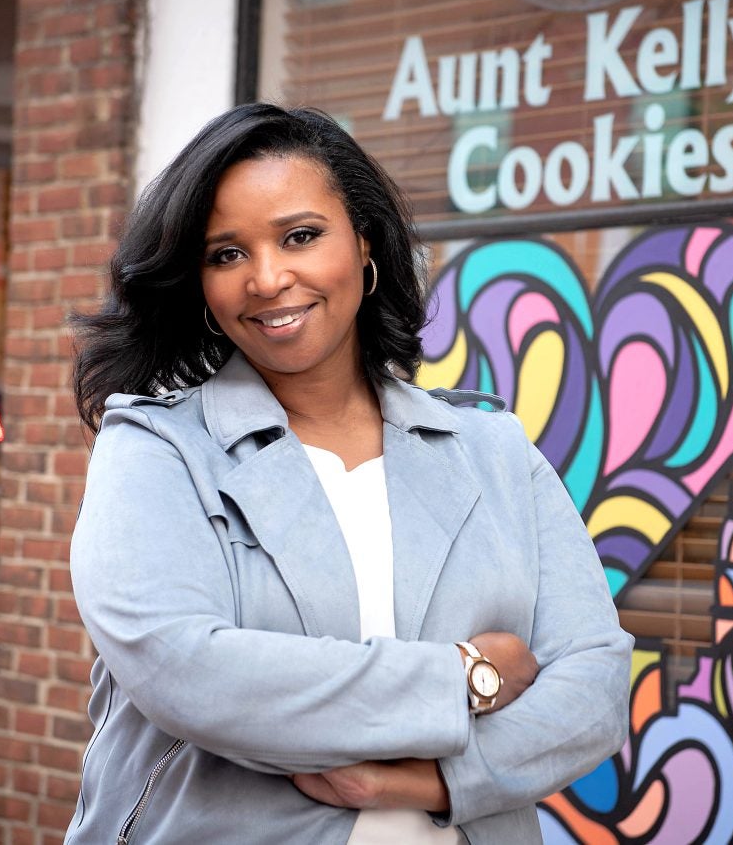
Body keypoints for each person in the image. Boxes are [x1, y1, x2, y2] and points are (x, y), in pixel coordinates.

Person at [65, 103, 633, 844]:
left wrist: (437, 781)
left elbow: (593, 687)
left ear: (364, 245)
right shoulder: (155, 449)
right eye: (226, 254)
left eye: (300, 236)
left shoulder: (492, 448)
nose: (267, 279)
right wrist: (462, 677)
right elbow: (187, 670)